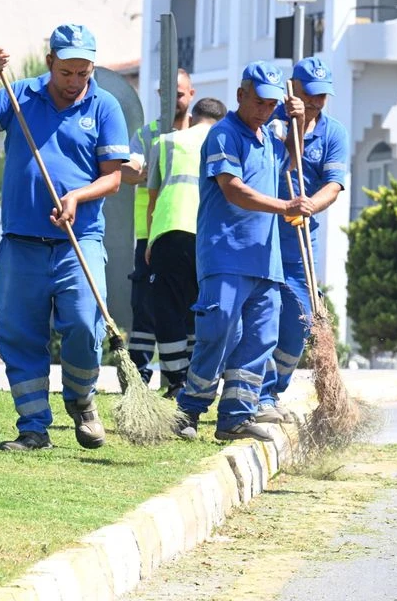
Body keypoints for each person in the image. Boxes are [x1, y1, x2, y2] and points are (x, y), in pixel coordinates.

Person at [0, 23, 129, 451]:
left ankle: (82, 402)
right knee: (19, 334)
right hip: (20, 243)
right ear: (50, 62)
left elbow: (114, 179)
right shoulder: (20, 94)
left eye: (82, 73)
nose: (74, 83)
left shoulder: (104, 107)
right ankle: (33, 427)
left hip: (78, 241)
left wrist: (76, 197)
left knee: (87, 327)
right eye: (66, 72)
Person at [175, 61, 313, 442]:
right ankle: (188, 408)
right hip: (226, 254)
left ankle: (236, 416)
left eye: (272, 105)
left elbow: (294, 156)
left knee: (259, 339)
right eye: (259, 102)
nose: (265, 110)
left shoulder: (269, 138)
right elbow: (233, 189)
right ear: (241, 96)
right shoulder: (223, 135)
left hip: (265, 261)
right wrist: (285, 207)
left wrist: (297, 123)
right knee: (218, 332)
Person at [257, 57, 349, 423]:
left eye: (323, 96)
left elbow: (334, 185)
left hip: (299, 238)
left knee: (301, 318)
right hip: (262, 233)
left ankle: (272, 391)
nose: (316, 102)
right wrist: (291, 122)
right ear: (292, 88)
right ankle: (249, 395)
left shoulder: (334, 132)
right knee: (261, 315)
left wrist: (310, 205)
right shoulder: (268, 119)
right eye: (310, 94)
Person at [143, 97, 227, 399]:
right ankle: (198, 378)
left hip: (171, 230)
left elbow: (153, 198)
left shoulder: (166, 142)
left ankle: (176, 380)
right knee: (201, 310)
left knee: (168, 308)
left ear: (192, 117)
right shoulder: (225, 141)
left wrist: (151, 239)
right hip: (211, 237)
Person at [122, 69, 196, 387]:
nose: (174, 100)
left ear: (191, 94)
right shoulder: (148, 134)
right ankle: (137, 379)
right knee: (146, 308)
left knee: (191, 309)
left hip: (193, 233)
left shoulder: (202, 135)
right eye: (168, 94)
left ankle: (184, 381)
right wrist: (144, 170)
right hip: (149, 235)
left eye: (179, 93)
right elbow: (128, 170)